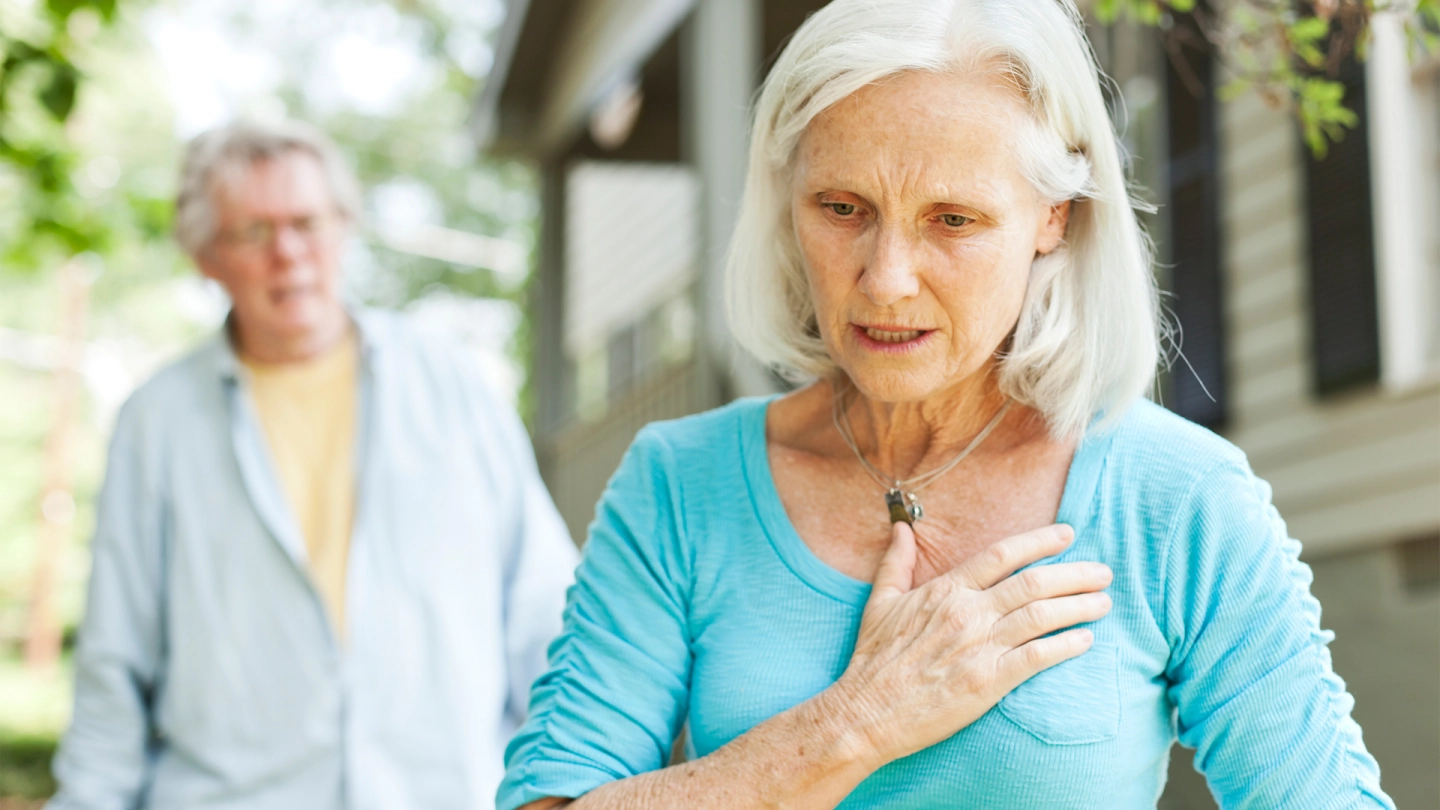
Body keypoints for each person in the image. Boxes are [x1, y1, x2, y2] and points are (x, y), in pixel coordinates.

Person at [497, 0, 1394, 807]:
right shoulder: (681, 485)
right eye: (842, 207)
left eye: (952, 220)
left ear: (1057, 218)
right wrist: (857, 722)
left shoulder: (1177, 496)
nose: (884, 281)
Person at [48, 120, 578, 809]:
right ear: (206, 256)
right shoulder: (156, 421)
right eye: (253, 232)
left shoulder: (455, 385)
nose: (289, 254)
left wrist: (566, 789)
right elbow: (113, 666)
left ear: (345, 228)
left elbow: (546, 618)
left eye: (306, 223)